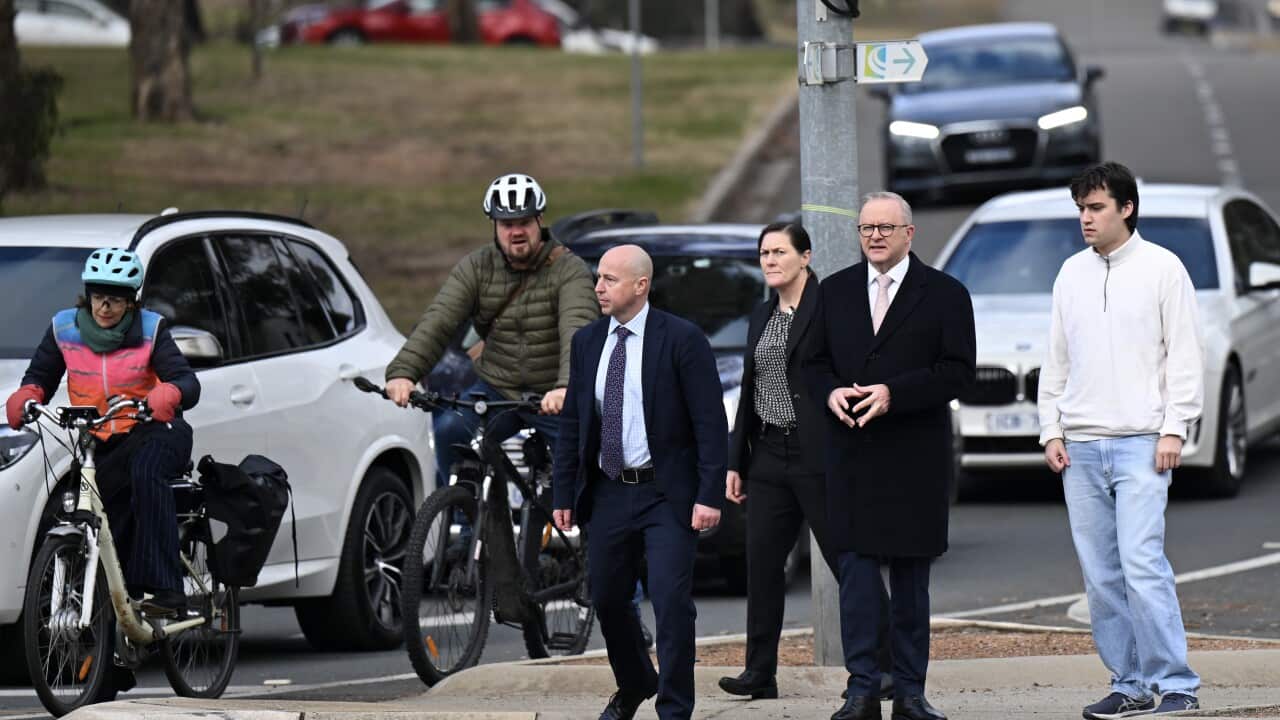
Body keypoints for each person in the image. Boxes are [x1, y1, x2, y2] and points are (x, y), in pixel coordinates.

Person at [1039, 162, 1203, 718]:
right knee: (1101, 575)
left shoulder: (1163, 268)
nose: (1085, 218)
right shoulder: (1069, 273)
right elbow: (1056, 359)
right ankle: (1129, 683)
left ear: (1125, 208)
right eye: (1081, 209)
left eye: (1096, 208)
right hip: (1079, 446)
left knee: (1141, 562)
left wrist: (1174, 427)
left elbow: (1184, 355)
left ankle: (1177, 683)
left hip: (1142, 442)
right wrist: (1050, 429)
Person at [809, 192, 975, 720]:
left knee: (909, 583)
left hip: (913, 459)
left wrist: (892, 394)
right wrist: (830, 391)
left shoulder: (945, 294)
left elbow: (957, 371)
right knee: (855, 578)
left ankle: (909, 690)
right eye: (866, 228)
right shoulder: (833, 292)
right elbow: (809, 364)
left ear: (909, 233)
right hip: (851, 455)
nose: (875, 236)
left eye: (885, 227)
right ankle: (861, 689)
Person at [718, 221, 894, 703]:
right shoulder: (761, 316)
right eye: (763, 254)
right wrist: (736, 462)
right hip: (769, 455)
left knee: (848, 561)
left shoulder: (830, 308)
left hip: (820, 452)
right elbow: (750, 392)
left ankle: (888, 663)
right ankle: (760, 671)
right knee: (762, 565)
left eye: (778, 252)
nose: (769, 261)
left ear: (805, 257)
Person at [552, 244, 727, 720]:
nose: (599, 287)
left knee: (671, 603)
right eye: (598, 278)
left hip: (665, 495)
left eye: (610, 279)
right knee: (608, 599)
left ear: (641, 285)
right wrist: (563, 491)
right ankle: (634, 684)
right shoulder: (588, 342)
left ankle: (673, 709)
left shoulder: (681, 339)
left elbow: (710, 422)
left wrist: (708, 494)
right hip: (608, 492)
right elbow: (574, 423)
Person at [6, 248, 200, 621]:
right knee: (88, 511)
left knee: (145, 472)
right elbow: (40, 378)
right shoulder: (65, 329)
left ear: (131, 302)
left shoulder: (151, 329)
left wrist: (169, 393)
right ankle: (108, 654)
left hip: (156, 430)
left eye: (115, 298)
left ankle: (166, 590)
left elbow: (186, 382)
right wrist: (27, 396)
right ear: (87, 295)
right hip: (101, 439)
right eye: (98, 296)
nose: (105, 306)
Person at [384, 172, 599, 479]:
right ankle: (465, 517)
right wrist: (405, 371)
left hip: (555, 392)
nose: (516, 232)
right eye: (507, 224)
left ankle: (581, 524)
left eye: (524, 222)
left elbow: (577, 327)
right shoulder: (476, 266)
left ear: (539, 220)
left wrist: (567, 386)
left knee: (585, 468)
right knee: (449, 431)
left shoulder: (570, 269)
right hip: (499, 389)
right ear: (495, 226)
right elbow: (440, 319)